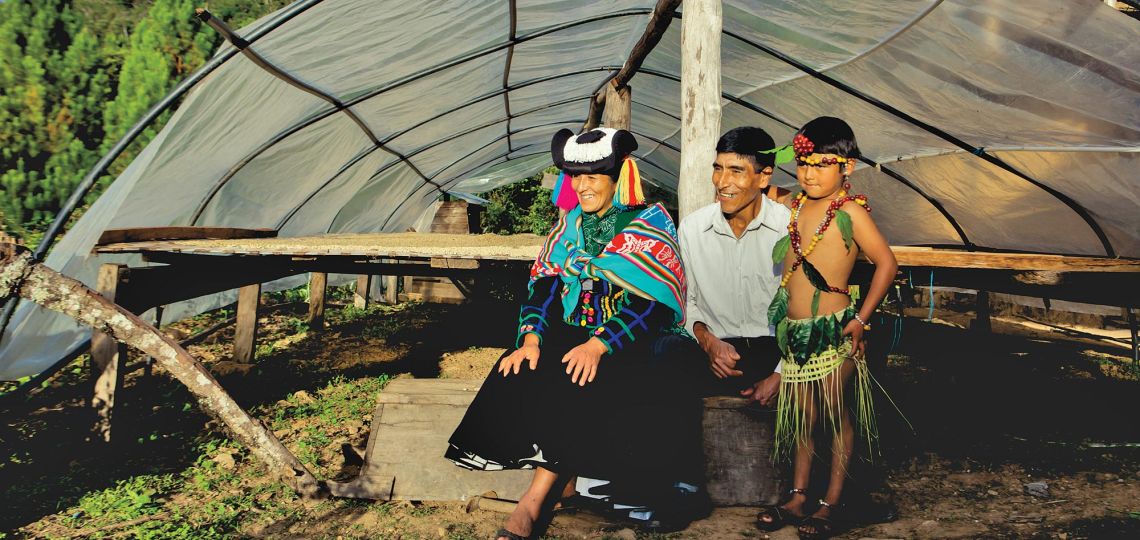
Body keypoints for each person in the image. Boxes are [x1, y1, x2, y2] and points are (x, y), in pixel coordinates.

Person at [445, 127, 702, 540]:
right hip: (580, 334)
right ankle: (561, 479)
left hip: (636, 339)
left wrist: (599, 344)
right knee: (518, 368)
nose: (582, 186)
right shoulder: (569, 227)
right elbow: (544, 289)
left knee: (582, 374)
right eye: (576, 177)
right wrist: (531, 340)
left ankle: (532, 504)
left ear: (618, 177)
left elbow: (652, 304)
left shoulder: (648, 223)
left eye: (594, 176)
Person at [757, 116, 898, 539]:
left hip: (835, 331)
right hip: (796, 335)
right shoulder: (796, 205)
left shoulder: (850, 212)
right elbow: (763, 184)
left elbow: (887, 264)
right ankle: (799, 496)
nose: (809, 173)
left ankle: (831, 504)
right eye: (803, 163)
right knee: (802, 417)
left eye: (822, 164)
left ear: (847, 168)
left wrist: (859, 319)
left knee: (836, 416)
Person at [655, 126, 794, 405]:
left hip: (774, 351)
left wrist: (783, 373)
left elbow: (805, 310)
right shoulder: (694, 228)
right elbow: (686, 299)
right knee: (666, 349)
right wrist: (707, 342)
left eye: (736, 171)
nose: (722, 181)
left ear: (764, 177)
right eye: (718, 169)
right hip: (713, 351)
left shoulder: (788, 227)